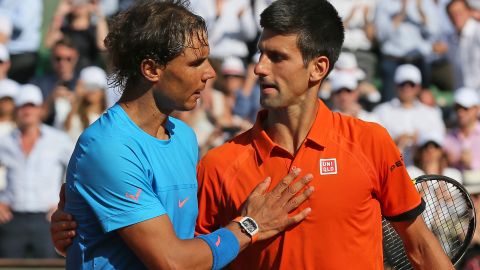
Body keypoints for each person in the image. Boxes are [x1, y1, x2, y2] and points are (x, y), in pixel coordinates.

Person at [53, 0, 453, 268]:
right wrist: (250, 225)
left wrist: (80, 229)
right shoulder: (216, 163)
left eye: (276, 57)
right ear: (152, 70)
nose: (258, 68)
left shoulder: (370, 142)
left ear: (318, 68)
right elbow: (181, 258)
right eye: (260, 54)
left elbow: (420, 245)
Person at [52, 1, 314, 269]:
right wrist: (250, 225)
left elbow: (197, 237)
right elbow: (172, 262)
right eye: (196, 62)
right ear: (151, 69)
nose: (210, 73)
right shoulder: (108, 148)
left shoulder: (184, 137)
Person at [0, 84, 74, 258]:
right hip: (12, 218)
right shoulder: (5, 142)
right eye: (23, 106)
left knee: (49, 267)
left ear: (40, 109)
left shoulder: (59, 140)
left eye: (32, 106)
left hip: (47, 218)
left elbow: (79, 170)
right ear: (16, 110)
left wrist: (64, 202)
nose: (28, 111)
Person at [373, 64, 446, 165]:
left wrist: (421, 144)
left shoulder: (431, 113)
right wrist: (394, 142)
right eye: (402, 84)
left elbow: (439, 145)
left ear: (418, 87)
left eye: (411, 84)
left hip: (422, 170)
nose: (407, 88)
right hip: (389, 166)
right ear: (396, 86)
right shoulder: (381, 112)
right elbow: (373, 145)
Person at [446, 0, 480, 92]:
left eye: (459, 12)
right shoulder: (450, 39)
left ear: (469, 12)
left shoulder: (478, 31)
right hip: (463, 95)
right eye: (452, 14)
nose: (456, 17)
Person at [443, 87, 480, 172]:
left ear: (477, 109)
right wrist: (448, 161)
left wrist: (472, 164)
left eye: (465, 108)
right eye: (457, 108)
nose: (460, 113)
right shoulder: (448, 138)